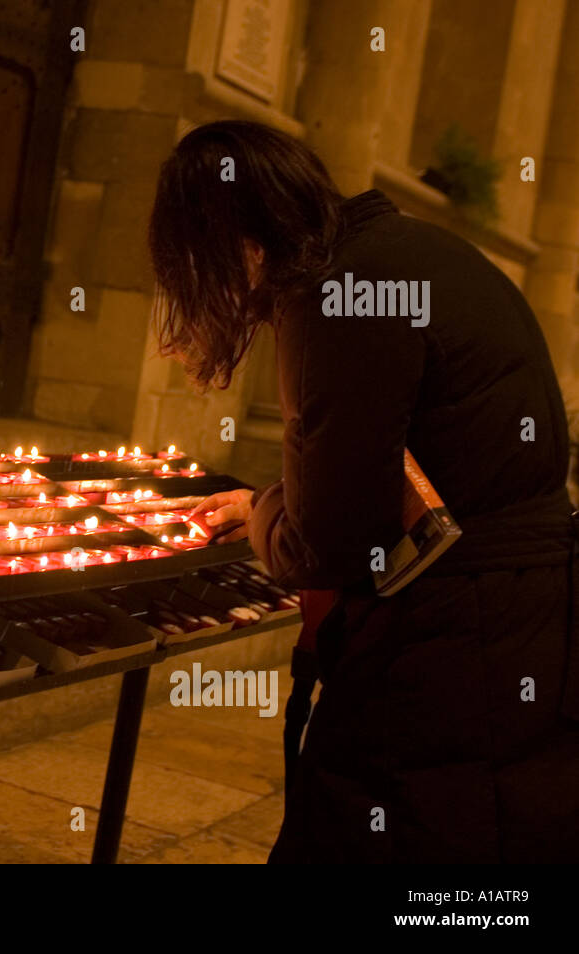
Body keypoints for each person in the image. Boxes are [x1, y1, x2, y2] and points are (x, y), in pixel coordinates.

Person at [149, 119, 579, 862]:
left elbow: (323, 544)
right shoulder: (407, 251)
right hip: (519, 614)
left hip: (451, 640)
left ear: (228, 239)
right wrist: (268, 501)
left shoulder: (338, 292)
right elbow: (374, 452)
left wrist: (265, 516)